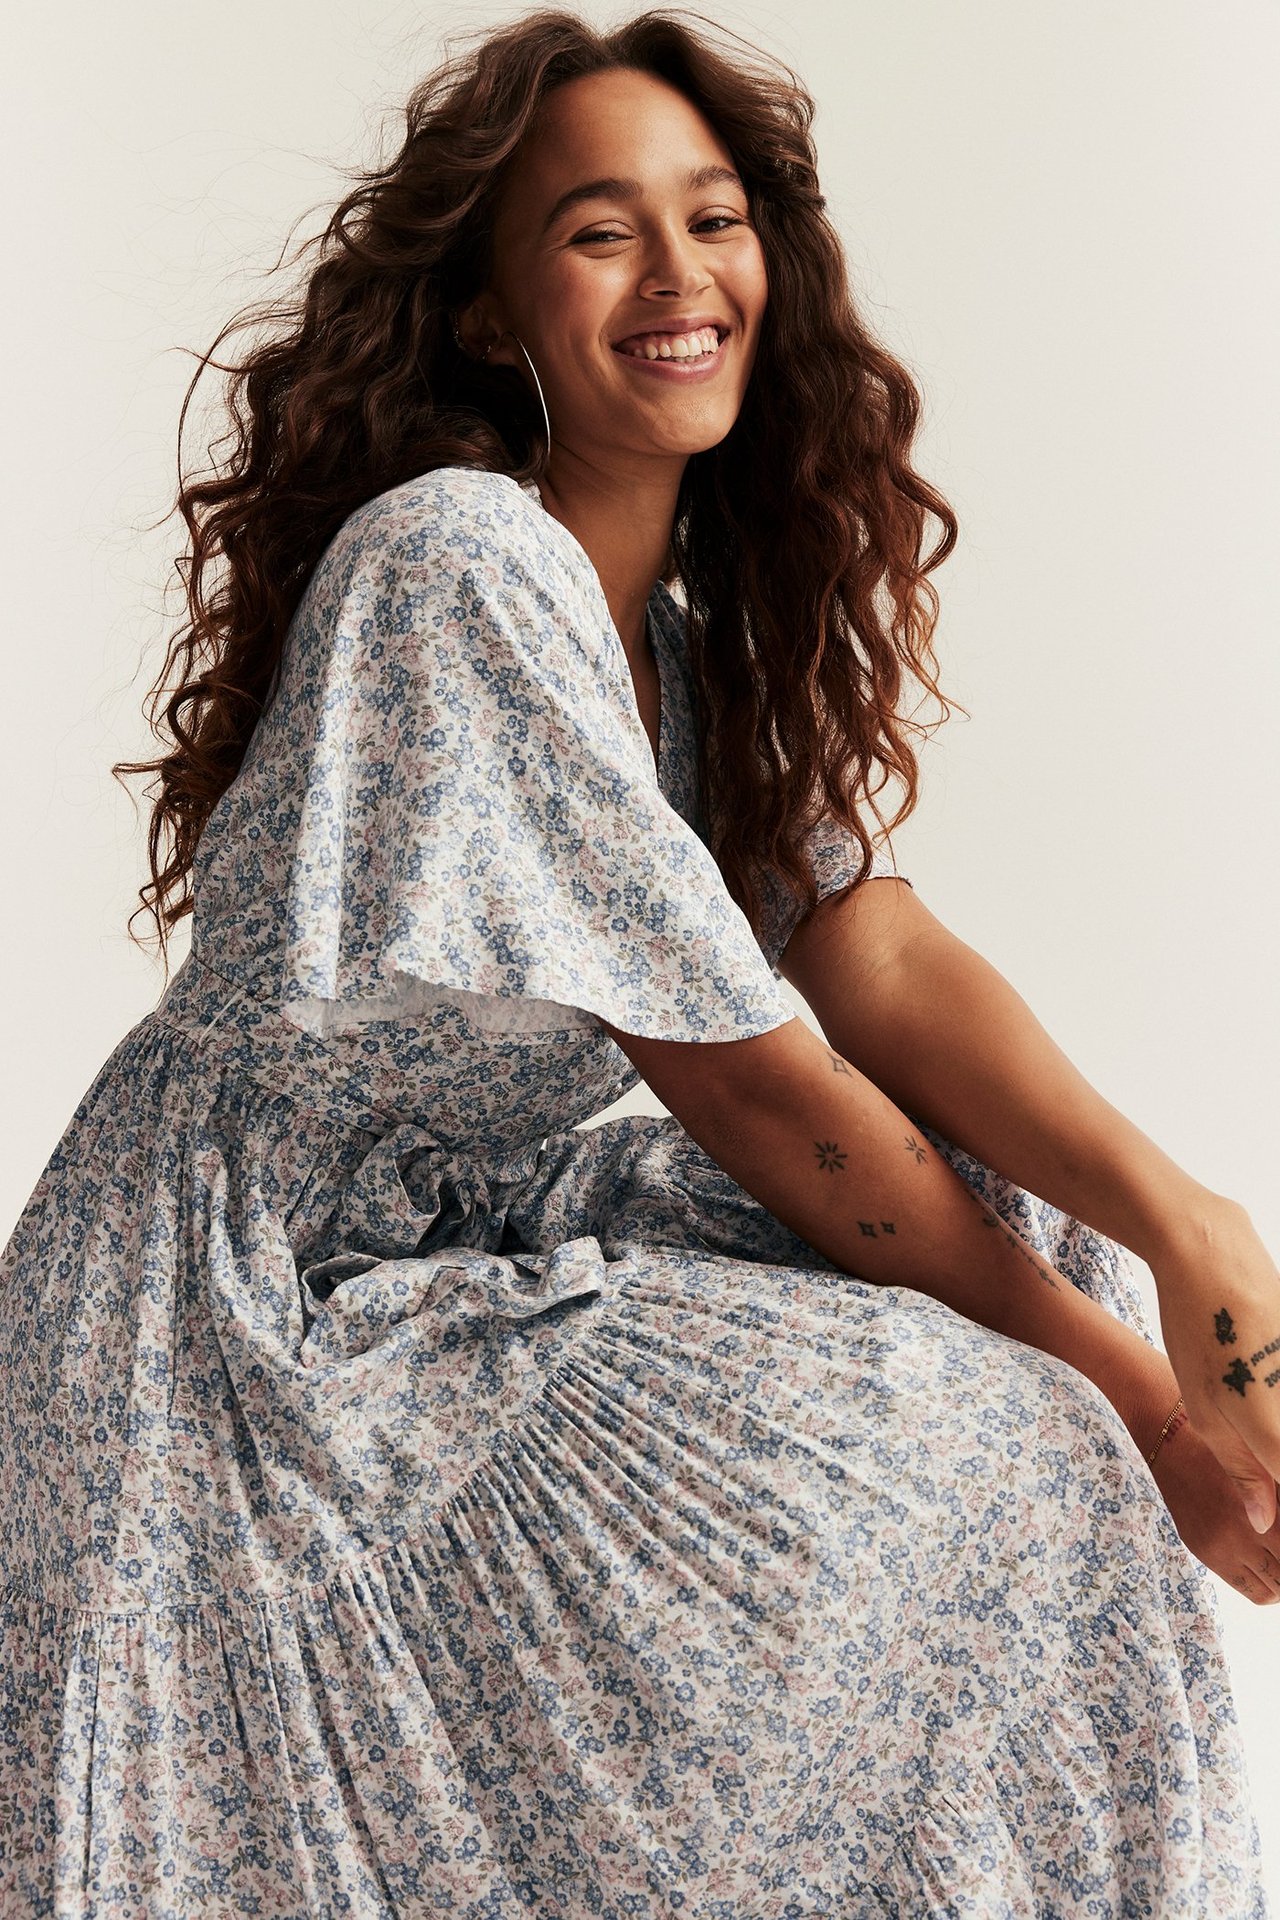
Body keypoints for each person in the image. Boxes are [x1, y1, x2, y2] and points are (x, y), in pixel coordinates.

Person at [1, 7, 1275, 1913]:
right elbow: (765, 1089)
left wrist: (1195, 1232)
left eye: (717, 216)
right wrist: (1144, 1408)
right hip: (264, 1316)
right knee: (1001, 1426)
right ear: (500, 315)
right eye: (602, 232)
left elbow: (872, 950)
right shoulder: (459, 563)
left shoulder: (669, 634)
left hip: (462, 1237)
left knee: (1038, 1222)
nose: (682, 275)